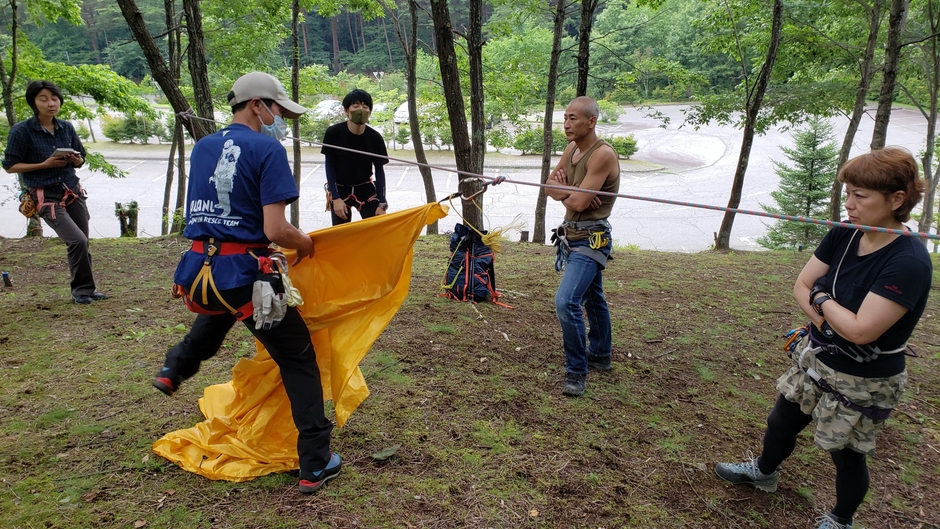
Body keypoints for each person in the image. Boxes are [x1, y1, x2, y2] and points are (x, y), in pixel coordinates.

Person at [714, 147, 932, 529]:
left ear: (897, 200)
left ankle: (841, 518)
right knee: (781, 420)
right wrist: (828, 315)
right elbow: (801, 283)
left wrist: (821, 299)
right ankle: (764, 472)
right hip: (817, 355)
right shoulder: (844, 235)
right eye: (847, 193)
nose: (848, 204)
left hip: (865, 377)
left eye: (860, 196)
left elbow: (862, 330)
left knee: (847, 453)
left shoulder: (908, 261)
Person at [151, 71, 340, 494]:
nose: (278, 116)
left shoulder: (203, 146)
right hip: (244, 276)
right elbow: (276, 230)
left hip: (201, 271)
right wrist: (305, 243)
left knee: (222, 313)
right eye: (275, 108)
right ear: (257, 105)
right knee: (298, 359)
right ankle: (316, 460)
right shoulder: (266, 149)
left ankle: (174, 368)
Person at [2, 80, 107, 305]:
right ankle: (80, 291)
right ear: (34, 102)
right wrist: (44, 164)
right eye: (43, 99)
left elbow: (81, 159)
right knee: (76, 240)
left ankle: (86, 290)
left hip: (72, 191)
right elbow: (10, 166)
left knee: (83, 241)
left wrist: (77, 160)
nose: (51, 103)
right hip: (45, 196)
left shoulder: (66, 127)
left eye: (54, 98)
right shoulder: (22, 131)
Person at [545, 96, 621, 397]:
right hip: (572, 236)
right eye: (565, 117)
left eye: (573, 118)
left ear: (591, 121)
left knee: (566, 301)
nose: (566, 124)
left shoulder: (601, 155)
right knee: (593, 298)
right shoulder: (571, 149)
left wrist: (568, 192)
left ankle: (577, 371)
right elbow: (549, 187)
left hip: (593, 239)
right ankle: (601, 354)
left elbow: (574, 201)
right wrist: (570, 191)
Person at [321, 89, 389, 225]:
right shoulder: (334, 133)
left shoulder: (375, 138)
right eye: (356, 106)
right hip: (340, 189)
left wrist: (382, 202)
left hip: (365, 189)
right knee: (342, 234)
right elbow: (329, 166)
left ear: (370, 112)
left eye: (365, 107)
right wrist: (335, 198)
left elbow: (380, 171)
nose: (361, 110)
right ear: (346, 110)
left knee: (375, 228)